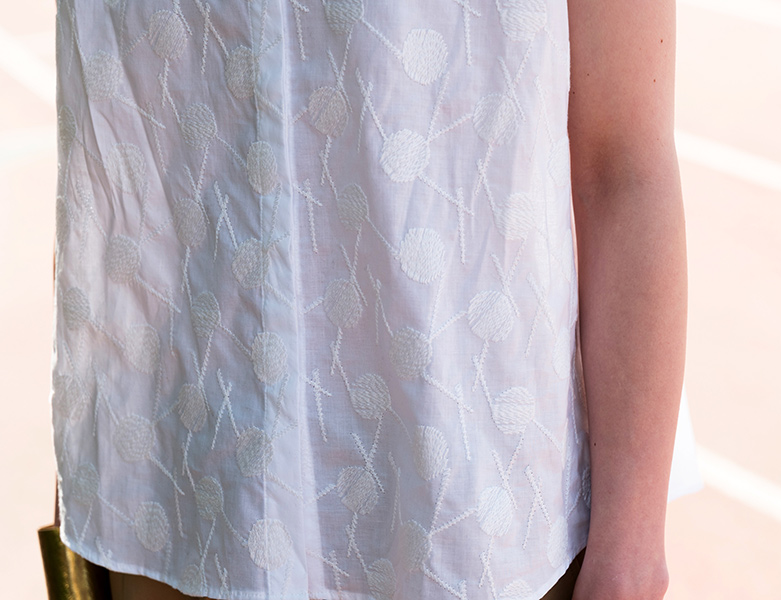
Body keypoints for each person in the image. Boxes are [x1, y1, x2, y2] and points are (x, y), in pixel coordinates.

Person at [51, 0, 688, 599]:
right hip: (168, 497)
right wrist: (80, 474)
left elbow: (623, 162)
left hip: (473, 524)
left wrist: (628, 557)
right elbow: (104, 151)